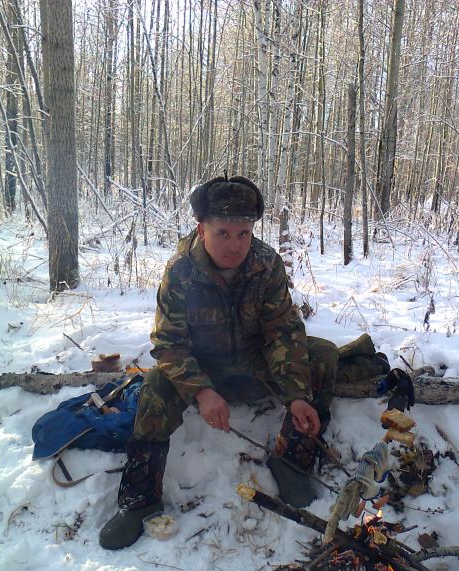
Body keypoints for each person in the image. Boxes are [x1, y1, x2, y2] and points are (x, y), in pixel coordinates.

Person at [99, 175, 389, 550]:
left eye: (243, 233)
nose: (234, 245)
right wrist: (202, 391)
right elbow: (168, 344)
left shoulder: (266, 263)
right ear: (201, 228)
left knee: (320, 354)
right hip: (204, 366)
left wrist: (297, 394)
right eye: (223, 233)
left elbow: (283, 332)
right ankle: (139, 499)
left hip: (254, 361)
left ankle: (291, 462)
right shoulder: (180, 271)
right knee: (155, 387)